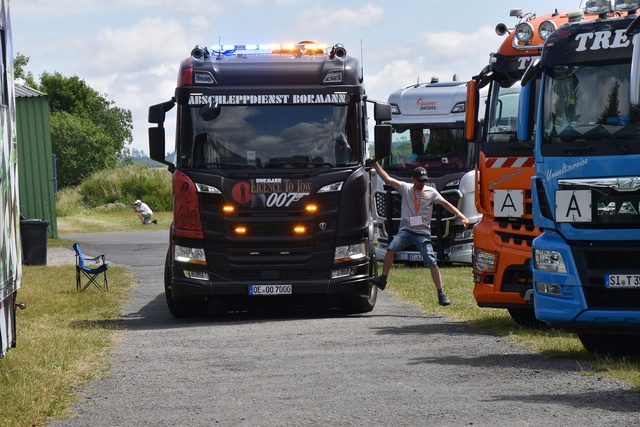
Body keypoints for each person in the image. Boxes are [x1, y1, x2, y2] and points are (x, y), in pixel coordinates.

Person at [370, 160, 469, 306]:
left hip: (422, 234)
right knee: (391, 249)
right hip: (406, 231)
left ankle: (441, 293)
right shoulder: (405, 188)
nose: (422, 183)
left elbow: (445, 203)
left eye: (424, 181)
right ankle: (383, 279)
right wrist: (375, 165)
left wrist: (461, 215)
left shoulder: (431, 192)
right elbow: (387, 179)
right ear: (413, 179)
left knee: (431, 261)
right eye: (420, 181)